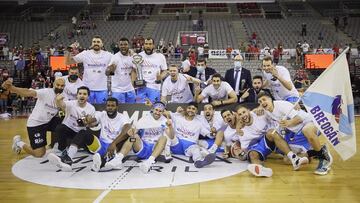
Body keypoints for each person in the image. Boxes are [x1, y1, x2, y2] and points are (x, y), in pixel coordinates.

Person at [257, 92, 333, 175]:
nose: (262, 103)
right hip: (298, 132)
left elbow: (299, 119)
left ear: (270, 99)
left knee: (306, 130)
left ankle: (325, 160)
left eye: (264, 100)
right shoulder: (267, 111)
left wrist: (289, 123)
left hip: (310, 122)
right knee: (287, 159)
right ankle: (320, 150)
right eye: (260, 102)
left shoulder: (281, 105)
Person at [100, 102, 174, 173]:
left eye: (160, 111)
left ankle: (149, 162)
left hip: (154, 149)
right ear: (153, 109)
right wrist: (131, 132)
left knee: (164, 138)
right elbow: (134, 130)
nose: (157, 112)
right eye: (156, 110)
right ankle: (118, 159)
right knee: (134, 137)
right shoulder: (145, 118)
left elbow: (171, 136)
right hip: (143, 148)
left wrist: (170, 127)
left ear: (163, 112)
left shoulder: (165, 121)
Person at [235, 106, 308, 177]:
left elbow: (270, 106)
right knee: (252, 154)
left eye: (244, 112)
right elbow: (245, 149)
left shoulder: (259, 113)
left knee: (286, 158)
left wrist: (260, 107)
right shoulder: (241, 132)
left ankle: (301, 156)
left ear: (248, 111)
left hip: (276, 135)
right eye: (240, 114)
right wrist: (240, 154)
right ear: (238, 117)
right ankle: (261, 169)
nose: (243, 115)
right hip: (262, 143)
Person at [3, 78, 65, 158]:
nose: (59, 87)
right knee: (39, 154)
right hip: (36, 125)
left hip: (48, 122)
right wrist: (12, 88)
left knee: (66, 124)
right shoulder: (46, 92)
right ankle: (18, 143)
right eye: (58, 85)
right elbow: (28, 92)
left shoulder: (63, 96)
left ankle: (61, 146)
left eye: (62, 86)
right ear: (53, 85)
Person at [47, 86, 96, 171]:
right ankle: (64, 153)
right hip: (70, 131)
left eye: (85, 94)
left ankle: (68, 159)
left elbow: (91, 125)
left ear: (88, 96)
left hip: (82, 135)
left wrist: (88, 122)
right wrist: (58, 100)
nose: (82, 96)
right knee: (60, 128)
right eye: (80, 93)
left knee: (82, 132)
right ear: (77, 95)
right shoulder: (71, 103)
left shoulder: (91, 108)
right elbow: (62, 105)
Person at [65, 35, 113, 104]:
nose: (96, 43)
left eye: (98, 42)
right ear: (91, 43)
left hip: (102, 89)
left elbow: (118, 61)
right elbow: (68, 62)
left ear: (102, 44)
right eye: (94, 41)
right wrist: (69, 50)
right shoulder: (85, 53)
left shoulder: (108, 55)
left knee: (102, 110)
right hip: (87, 89)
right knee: (86, 109)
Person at [169, 102, 216, 168]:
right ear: (186, 109)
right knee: (168, 131)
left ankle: (198, 162)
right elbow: (165, 113)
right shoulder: (178, 117)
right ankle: (165, 153)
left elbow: (209, 135)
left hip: (189, 147)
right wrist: (177, 112)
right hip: (176, 144)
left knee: (195, 149)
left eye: (193, 109)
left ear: (196, 111)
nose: (191, 110)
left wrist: (213, 132)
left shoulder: (199, 124)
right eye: (189, 108)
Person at [136, 38, 168, 103]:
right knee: (140, 107)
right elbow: (134, 70)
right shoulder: (139, 56)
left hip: (155, 87)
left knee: (154, 108)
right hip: (141, 87)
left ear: (153, 45)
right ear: (143, 45)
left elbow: (165, 71)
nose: (148, 46)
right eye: (146, 44)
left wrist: (160, 77)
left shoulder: (160, 56)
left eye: (150, 44)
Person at [106, 37, 136, 103]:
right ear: (119, 46)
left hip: (130, 89)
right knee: (119, 111)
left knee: (132, 109)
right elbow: (108, 72)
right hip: (117, 90)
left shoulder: (133, 56)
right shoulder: (115, 57)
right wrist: (110, 69)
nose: (123, 46)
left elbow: (136, 70)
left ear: (129, 45)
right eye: (121, 45)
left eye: (125, 44)